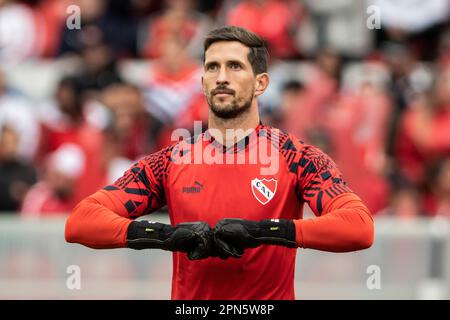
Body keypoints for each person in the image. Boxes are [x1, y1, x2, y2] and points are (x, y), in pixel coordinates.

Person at [65, 26, 374, 300]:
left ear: (261, 83)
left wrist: (262, 232)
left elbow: (359, 228)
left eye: (235, 67)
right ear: (202, 82)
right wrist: (164, 236)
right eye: (212, 67)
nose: (222, 77)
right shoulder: (170, 161)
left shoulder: (297, 157)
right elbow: (81, 222)